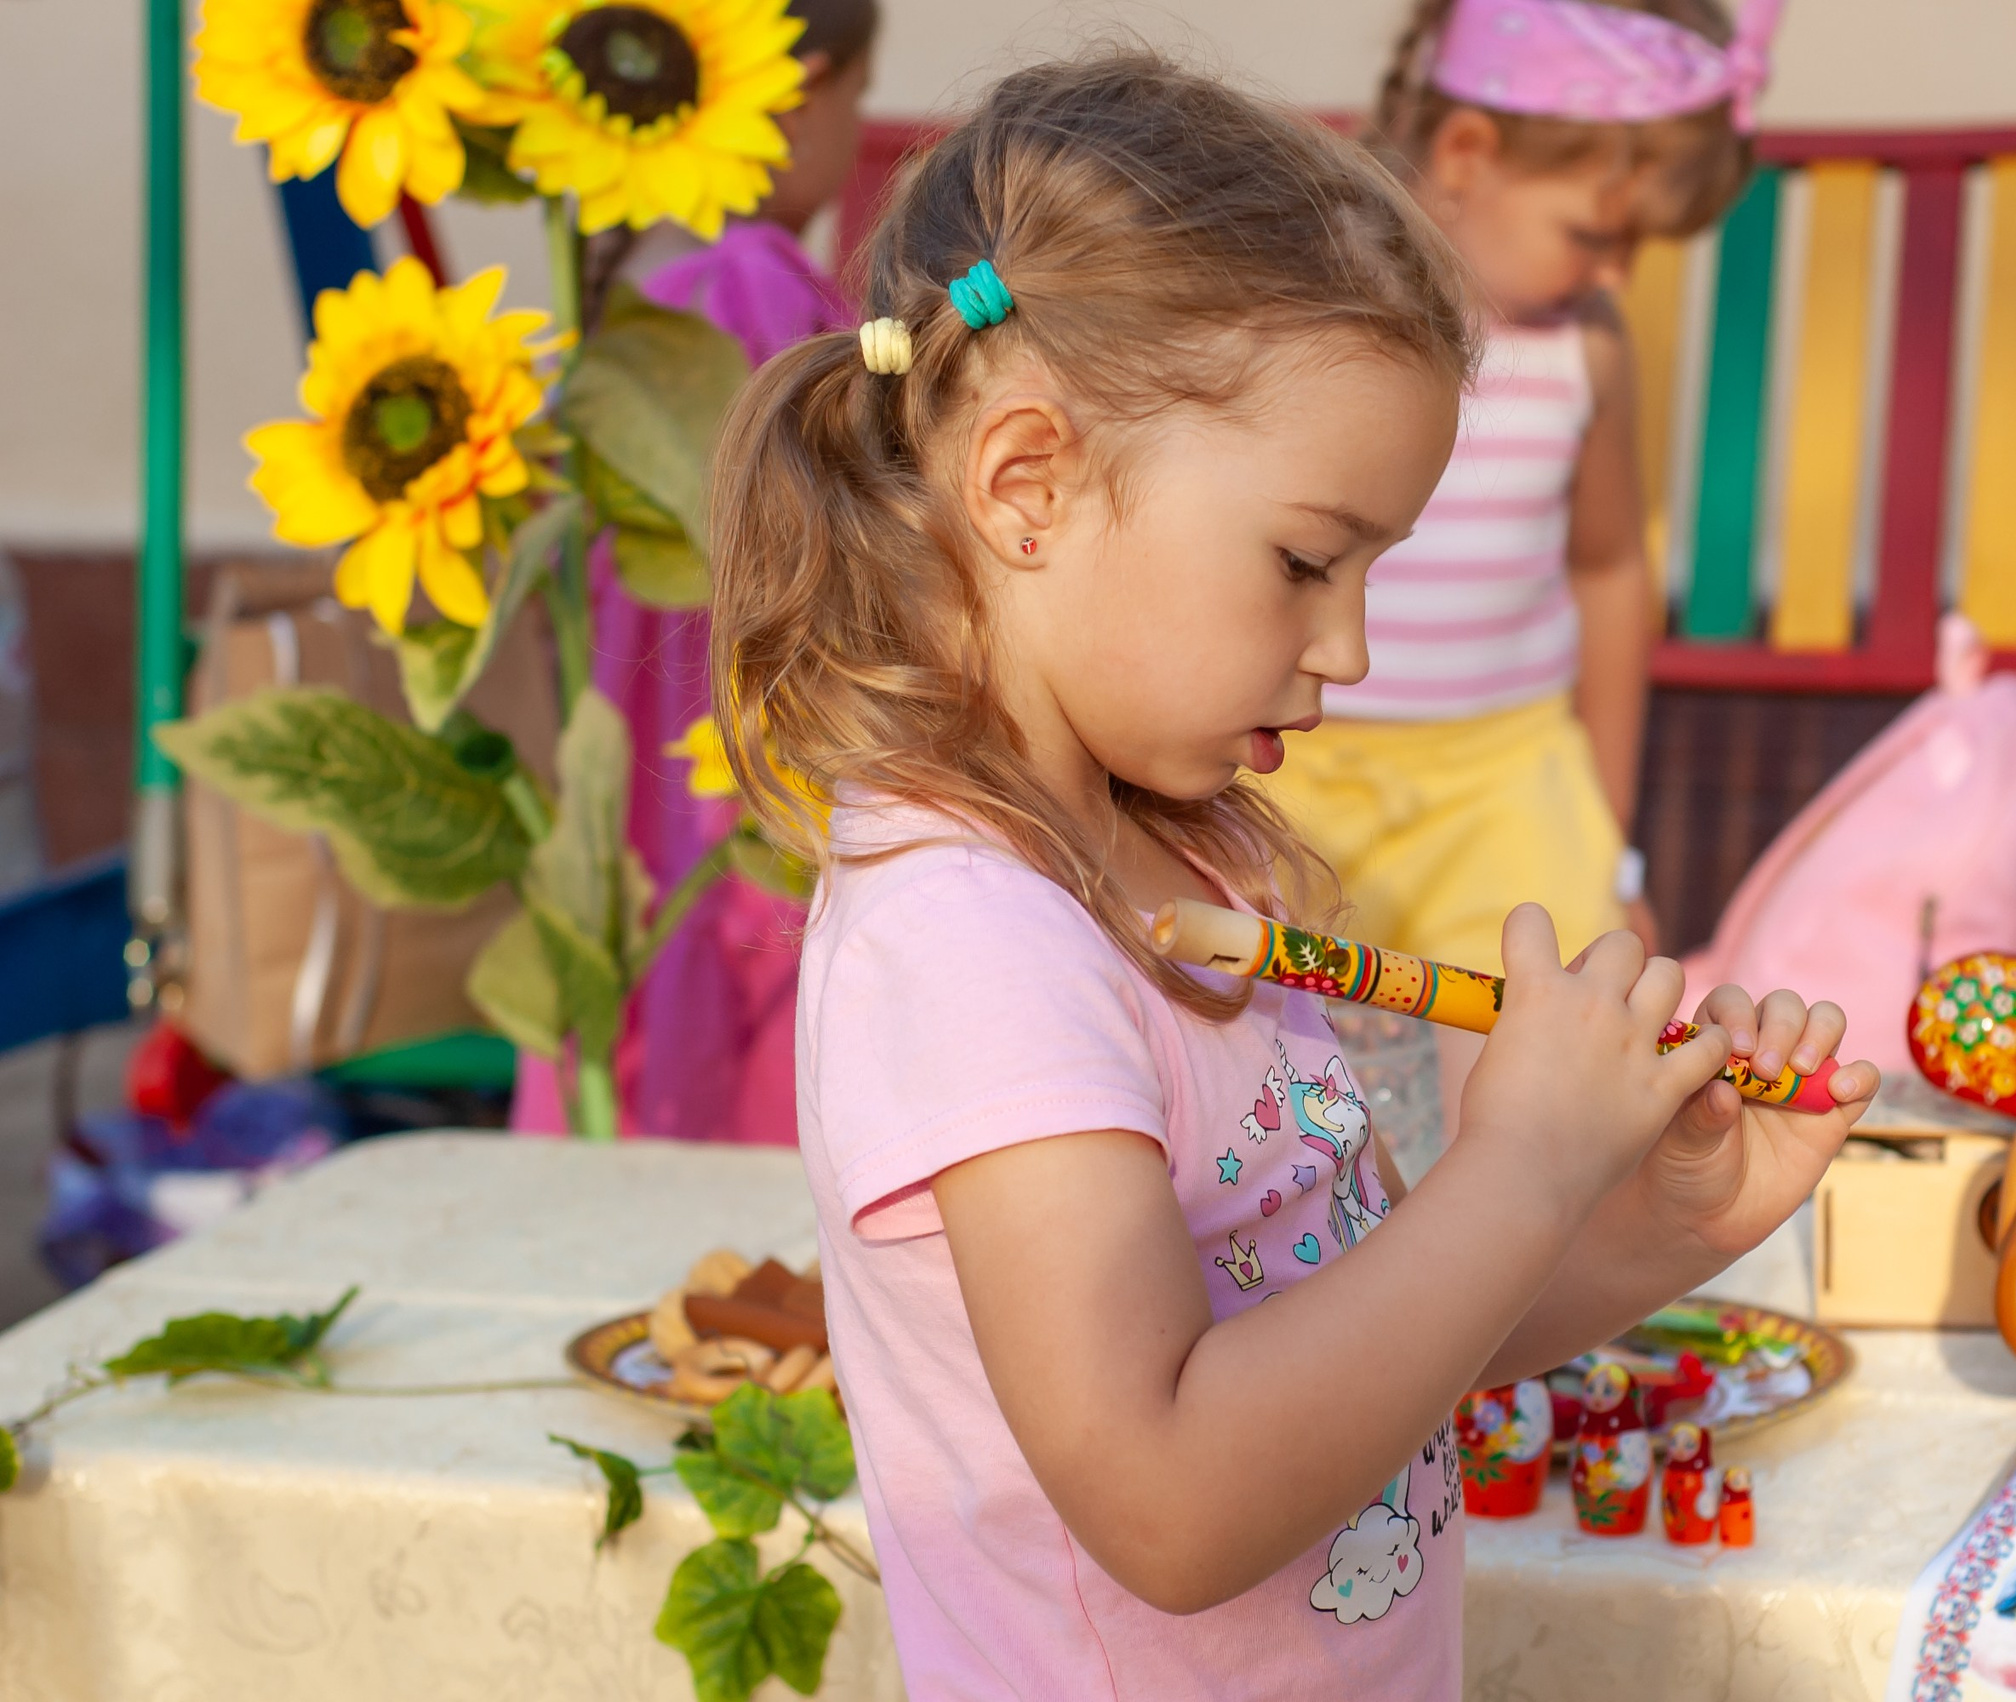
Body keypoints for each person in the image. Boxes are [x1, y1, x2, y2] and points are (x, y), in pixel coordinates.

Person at [704, 54, 1872, 1700]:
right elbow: (1174, 1499)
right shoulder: (967, 934)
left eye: (1372, 571)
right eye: (1306, 561)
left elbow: (1351, 1351)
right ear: (1027, 482)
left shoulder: (1164, 848)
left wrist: (1651, 1227)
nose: (1353, 648)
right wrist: (1521, 1162)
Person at [1257, 0, 1771, 979]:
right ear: (1465, 153)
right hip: (1292, 759)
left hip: (1501, 778)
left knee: (1557, 1007)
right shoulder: (1303, 312)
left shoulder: (1586, 343)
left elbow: (1610, 569)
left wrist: (1606, 841)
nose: (1616, 272)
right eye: (1593, 234)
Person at [509, 0, 873, 1142]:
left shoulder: (629, 282)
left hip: (632, 749)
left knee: (636, 1046)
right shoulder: (748, 284)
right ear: (802, 83)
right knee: (745, 1045)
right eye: (856, 105)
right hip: (747, 746)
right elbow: (828, 540)